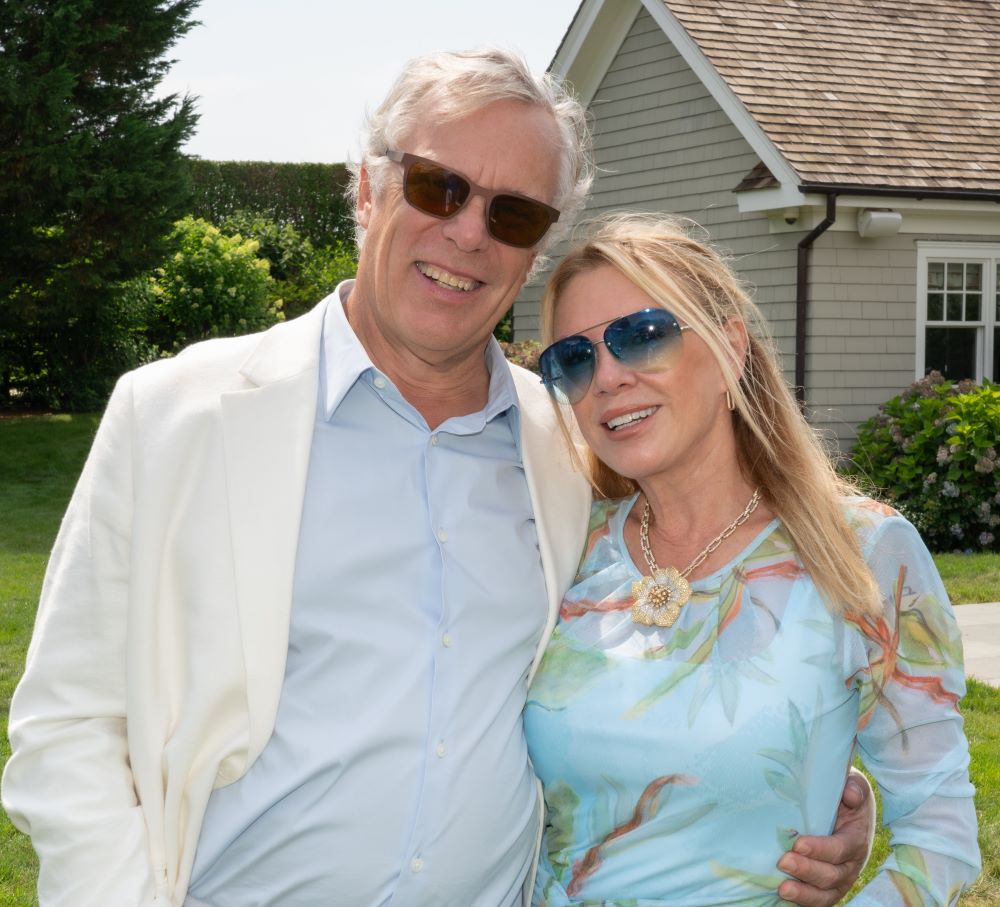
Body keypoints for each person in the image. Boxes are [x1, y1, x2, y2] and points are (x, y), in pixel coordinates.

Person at [4, 49, 871, 907]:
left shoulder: (572, 449)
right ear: (367, 189)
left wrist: (810, 784)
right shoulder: (177, 416)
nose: (467, 233)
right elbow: (69, 727)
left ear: (534, 252)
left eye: (515, 214)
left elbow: (655, 662)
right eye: (437, 186)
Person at [525, 211, 982, 906]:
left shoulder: (861, 552)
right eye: (574, 359)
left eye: (642, 337)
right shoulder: (561, 548)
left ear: (731, 348)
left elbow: (941, 833)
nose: (608, 378)